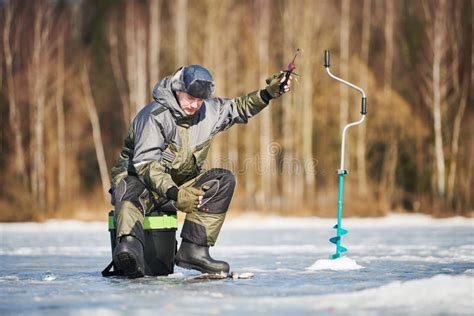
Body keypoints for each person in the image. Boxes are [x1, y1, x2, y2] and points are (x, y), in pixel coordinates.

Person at [110, 64, 292, 278]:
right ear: (177, 90)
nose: (195, 105)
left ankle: (193, 250)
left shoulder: (209, 112)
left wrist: (268, 94)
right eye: (190, 98)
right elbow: (146, 165)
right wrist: (176, 194)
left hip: (179, 187)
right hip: (144, 185)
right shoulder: (154, 116)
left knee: (222, 181)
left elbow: (239, 108)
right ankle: (130, 246)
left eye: (199, 100)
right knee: (129, 184)